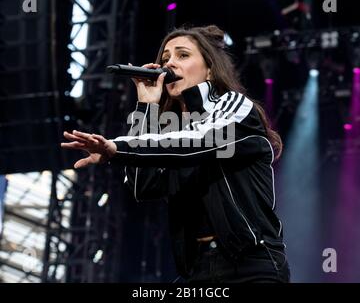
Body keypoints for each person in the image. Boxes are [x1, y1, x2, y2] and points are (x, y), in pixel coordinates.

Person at [61, 25, 291, 283]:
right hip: (197, 269)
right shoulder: (171, 134)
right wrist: (147, 107)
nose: (170, 64)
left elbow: (199, 142)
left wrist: (117, 148)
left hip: (251, 265)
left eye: (182, 55)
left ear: (210, 68)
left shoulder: (234, 106)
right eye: (165, 58)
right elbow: (142, 185)